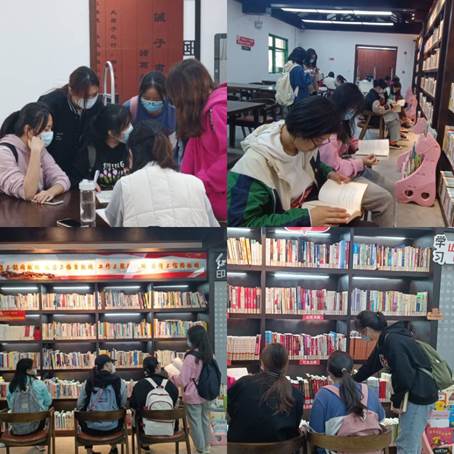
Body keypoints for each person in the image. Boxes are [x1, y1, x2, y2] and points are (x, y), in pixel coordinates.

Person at [228, 96, 353, 227]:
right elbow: (241, 224)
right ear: (300, 130)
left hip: (312, 205)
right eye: (318, 140)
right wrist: (307, 218)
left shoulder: (302, 144)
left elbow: (312, 163)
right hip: (293, 222)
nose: (319, 146)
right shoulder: (253, 168)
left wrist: (328, 173)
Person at [104, 120, 219, 227]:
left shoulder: (125, 185)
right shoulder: (195, 184)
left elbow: (113, 222)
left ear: (131, 154)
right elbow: (214, 227)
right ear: (169, 149)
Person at [354, 311, 439, 454]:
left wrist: (396, 400)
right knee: (410, 442)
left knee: (406, 444)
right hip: (418, 392)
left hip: (419, 395)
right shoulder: (386, 339)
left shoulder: (392, 341)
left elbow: (404, 375)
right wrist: (351, 381)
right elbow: (371, 365)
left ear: (367, 330)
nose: (362, 337)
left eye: (361, 333)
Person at [319, 83, 395, 227]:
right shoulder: (328, 130)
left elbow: (347, 140)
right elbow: (335, 167)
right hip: (339, 177)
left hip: (349, 167)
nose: (353, 113)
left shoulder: (341, 121)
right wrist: (361, 162)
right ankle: (384, 237)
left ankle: (387, 228)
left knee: (390, 187)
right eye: (353, 109)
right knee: (385, 200)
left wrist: (359, 146)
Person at [166, 59, 227, 223]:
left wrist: (201, 181)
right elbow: (190, 157)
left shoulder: (217, 109)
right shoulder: (202, 112)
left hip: (216, 202)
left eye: (175, 98)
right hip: (202, 198)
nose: (175, 104)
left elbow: (226, 160)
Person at [228, 343, 304, 443]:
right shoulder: (296, 394)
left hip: (239, 448)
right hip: (281, 449)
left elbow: (228, 410)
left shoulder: (243, 383)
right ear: (286, 365)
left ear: (262, 363)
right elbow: (294, 426)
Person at [309, 351, 384, 453]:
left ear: (329, 372)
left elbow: (316, 433)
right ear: (352, 370)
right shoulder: (369, 391)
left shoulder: (323, 395)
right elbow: (381, 420)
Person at [38, 66, 103, 176]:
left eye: (94, 95)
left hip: (79, 167)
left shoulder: (97, 105)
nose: (90, 100)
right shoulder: (51, 104)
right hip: (51, 168)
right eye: (85, 96)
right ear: (71, 90)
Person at [0, 102, 70, 202]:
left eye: (51, 128)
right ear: (28, 130)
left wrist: (50, 192)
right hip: (11, 210)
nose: (50, 133)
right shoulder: (4, 152)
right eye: (46, 129)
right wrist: (35, 153)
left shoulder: (40, 149)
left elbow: (63, 179)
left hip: (32, 210)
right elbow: (28, 193)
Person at [168, 324, 218, 454]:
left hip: (193, 395)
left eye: (188, 337)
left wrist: (172, 377)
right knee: (205, 420)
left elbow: (182, 380)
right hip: (207, 393)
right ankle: (206, 447)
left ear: (193, 338)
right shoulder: (210, 354)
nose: (187, 340)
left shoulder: (190, 357)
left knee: (195, 424)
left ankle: (201, 449)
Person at [72, 104, 132, 189]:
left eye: (129, 123)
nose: (130, 128)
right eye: (125, 127)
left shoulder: (130, 148)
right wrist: (88, 184)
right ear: (111, 133)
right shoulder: (90, 151)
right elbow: (74, 179)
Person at [77, 354, 128, 454]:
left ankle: (89, 451)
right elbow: (123, 403)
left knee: (84, 412)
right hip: (114, 428)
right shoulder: (119, 381)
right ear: (106, 365)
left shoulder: (88, 381)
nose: (113, 365)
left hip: (90, 429)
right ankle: (113, 448)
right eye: (111, 363)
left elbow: (80, 404)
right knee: (119, 412)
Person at [130, 356, 179, 447]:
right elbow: (175, 404)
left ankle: (145, 442)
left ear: (145, 370)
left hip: (145, 428)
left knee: (136, 413)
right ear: (157, 367)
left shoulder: (140, 384)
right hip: (170, 428)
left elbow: (133, 405)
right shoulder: (170, 385)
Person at [123, 71, 176, 140]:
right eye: (146, 98)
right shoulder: (130, 107)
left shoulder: (172, 109)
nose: (151, 102)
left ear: (165, 95)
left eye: (157, 99)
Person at [7, 358, 52, 437]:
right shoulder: (39, 383)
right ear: (27, 370)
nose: (36, 368)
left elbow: (10, 405)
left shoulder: (12, 385)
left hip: (16, 427)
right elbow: (48, 402)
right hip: (37, 425)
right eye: (34, 367)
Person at [365, 79, 402, 149]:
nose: (384, 90)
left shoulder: (374, 94)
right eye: (383, 89)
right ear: (378, 87)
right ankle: (393, 141)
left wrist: (389, 104)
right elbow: (379, 110)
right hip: (373, 118)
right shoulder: (373, 96)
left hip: (374, 116)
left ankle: (392, 138)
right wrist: (390, 106)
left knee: (394, 115)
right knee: (395, 119)